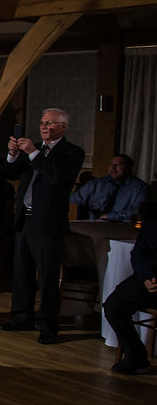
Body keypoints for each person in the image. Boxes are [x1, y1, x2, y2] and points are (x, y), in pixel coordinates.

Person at [0, 108, 85, 345]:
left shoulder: (72, 152)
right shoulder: (33, 149)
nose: (44, 126)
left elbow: (58, 177)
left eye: (50, 123)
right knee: (21, 272)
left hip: (47, 223)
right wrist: (13, 154)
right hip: (24, 219)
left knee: (47, 277)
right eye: (42, 122)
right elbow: (9, 172)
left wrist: (35, 153)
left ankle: (47, 325)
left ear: (63, 127)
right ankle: (21, 317)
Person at [104, 201, 157, 374]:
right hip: (149, 278)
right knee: (114, 306)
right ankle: (136, 356)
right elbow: (139, 252)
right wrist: (146, 277)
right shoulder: (153, 216)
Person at [70, 154, 149, 221]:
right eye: (111, 164)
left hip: (122, 230)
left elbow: (137, 212)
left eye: (119, 164)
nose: (113, 168)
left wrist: (109, 216)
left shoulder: (140, 188)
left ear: (129, 168)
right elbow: (73, 201)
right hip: (92, 228)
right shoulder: (96, 184)